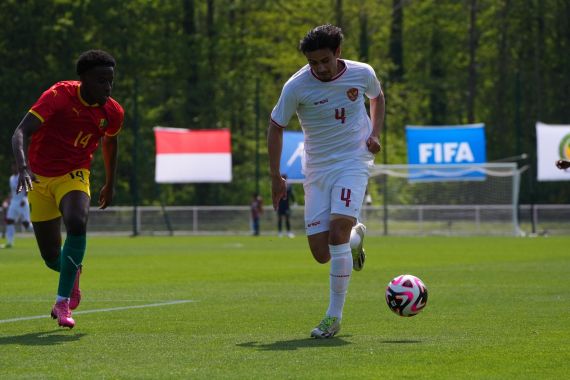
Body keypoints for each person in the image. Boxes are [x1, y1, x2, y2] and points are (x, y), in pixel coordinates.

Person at [267, 24, 384, 338]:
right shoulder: (296, 86)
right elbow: (276, 125)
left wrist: (374, 133)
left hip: (353, 161)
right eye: (312, 62)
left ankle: (333, 317)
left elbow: (378, 97)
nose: (319, 68)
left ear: (338, 53)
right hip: (317, 168)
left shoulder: (362, 73)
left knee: (336, 234)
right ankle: (356, 239)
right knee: (321, 253)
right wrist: (275, 176)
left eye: (324, 61)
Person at [11, 50, 124, 328]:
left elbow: (110, 143)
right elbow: (20, 132)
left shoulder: (112, 111)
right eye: (101, 81)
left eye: (110, 81)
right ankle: (72, 273)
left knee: (77, 222)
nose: (107, 87)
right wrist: (23, 167)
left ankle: (62, 304)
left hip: (74, 174)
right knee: (52, 259)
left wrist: (109, 183)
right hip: (38, 178)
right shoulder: (58, 96)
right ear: (83, 79)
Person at [2, 163, 33, 248]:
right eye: (13, 167)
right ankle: (9, 243)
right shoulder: (11, 178)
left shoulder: (23, 176)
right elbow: (12, 192)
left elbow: (28, 188)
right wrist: (7, 202)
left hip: (22, 202)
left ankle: (41, 233)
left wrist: (24, 198)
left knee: (26, 225)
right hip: (14, 203)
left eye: (15, 166)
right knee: (9, 221)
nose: (14, 168)